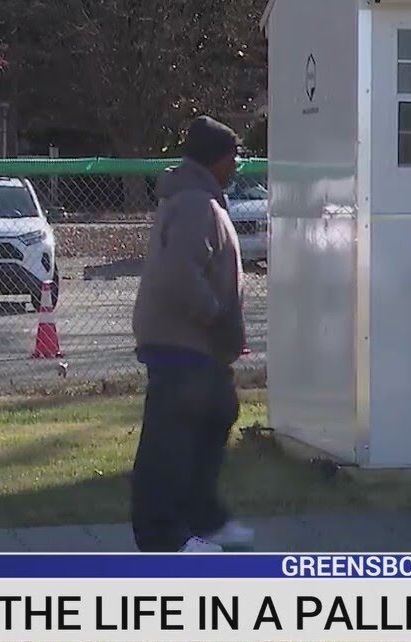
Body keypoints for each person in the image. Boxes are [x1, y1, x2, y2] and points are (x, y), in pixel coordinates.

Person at [129, 115, 254, 553]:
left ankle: (204, 519)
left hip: (197, 347)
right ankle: (165, 537)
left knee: (218, 412)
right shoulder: (197, 205)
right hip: (184, 342)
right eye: (233, 156)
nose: (237, 165)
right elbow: (176, 274)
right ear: (215, 160)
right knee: (172, 441)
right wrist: (216, 315)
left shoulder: (196, 201)